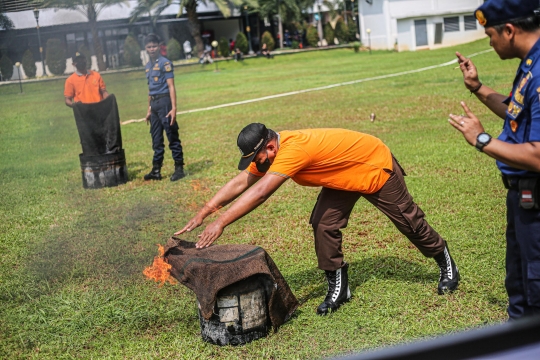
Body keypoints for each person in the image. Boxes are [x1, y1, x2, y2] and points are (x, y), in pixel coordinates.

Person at [176, 124, 460, 315]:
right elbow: (243, 181)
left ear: (271, 149)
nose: (258, 162)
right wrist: (206, 211)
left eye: (259, 157)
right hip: (341, 176)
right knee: (324, 222)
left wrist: (221, 222)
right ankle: (340, 287)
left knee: (410, 223)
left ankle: (445, 262)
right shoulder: (272, 152)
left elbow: (261, 192)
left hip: (371, 165)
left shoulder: (292, 151)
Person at [450, 0, 540, 320]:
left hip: (536, 202)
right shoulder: (532, 63)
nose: (489, 42)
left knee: (534, 294)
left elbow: (539, 154)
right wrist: (477, 87)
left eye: (490, 34)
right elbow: (516, 111)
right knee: (520, 288)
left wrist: (482, 139)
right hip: (523, 199)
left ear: (510, 30)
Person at [143, 33, 185, 182]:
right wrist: (149, 109)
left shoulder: (165, 63)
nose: (152, 49)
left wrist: (174, 108)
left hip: (165, 102)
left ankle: (179, 168)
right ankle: (156, 170)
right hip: (154, 104)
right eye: (149, 47)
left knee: (172, 135)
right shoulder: (147, 66)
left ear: (159, 46)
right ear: (146, 49)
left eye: (154, 46)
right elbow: (150, 89)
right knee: (156, 139)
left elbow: (171, 86)